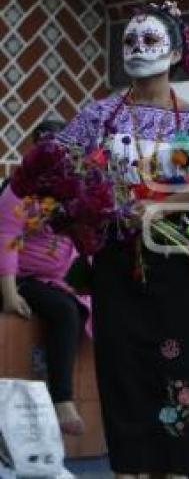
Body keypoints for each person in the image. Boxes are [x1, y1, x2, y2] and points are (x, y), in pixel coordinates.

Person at [59, 0, 189, 478]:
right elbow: (56, 166)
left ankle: (177, 469)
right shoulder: (97, 116)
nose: (138, 49)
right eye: (131, 41)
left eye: (151, 40)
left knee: (182, 375)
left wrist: (164, 205)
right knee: (125, 375)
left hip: (178, 264)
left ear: (177, 52)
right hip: (118, 263)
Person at [0, 119, 89, 436]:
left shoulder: (75, 189)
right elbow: (7, 239)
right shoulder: (18, 190)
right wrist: (10, 294)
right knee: (65, 310)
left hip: (60, 278)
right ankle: (62, 399)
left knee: (88, 309)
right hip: (19, 277)